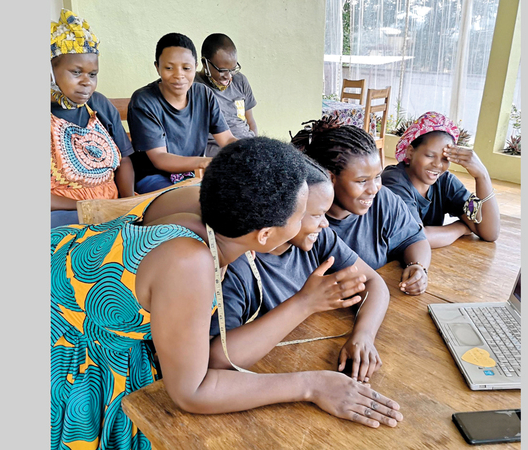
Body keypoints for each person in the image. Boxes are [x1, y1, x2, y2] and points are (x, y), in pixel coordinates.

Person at [51, 137, 403, 450]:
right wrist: (312, 385)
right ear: (264, 236)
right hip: (69, 342)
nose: (320, 224)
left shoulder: (210, 202)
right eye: (302, 216)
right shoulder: (189, 263)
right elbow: (192, 391)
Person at [206, 158, 390, 383]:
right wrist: (305, 303)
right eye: (315, 215)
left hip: (308, 360)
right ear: (281, 214)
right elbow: (217, 359)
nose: (325, 224)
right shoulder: (237, 266)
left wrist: (363, 336)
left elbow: (372, 281)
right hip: (265, 379)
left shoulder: (317, 239)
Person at [292, 118, 432, 296]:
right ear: (330, 178)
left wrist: (418, 267)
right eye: (362, 181)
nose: (374, 188)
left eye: (377, 177)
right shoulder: (304, 223)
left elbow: (414, 238)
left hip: (374, 302)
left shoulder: (382, 200)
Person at [50, 9, 135, 228]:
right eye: (76, 72)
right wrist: (88, 207)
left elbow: (124, 161)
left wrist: (129, 205)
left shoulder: (99, 105)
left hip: (113, 209)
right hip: (64, 215)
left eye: (93, 74)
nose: (87, 82)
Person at [128, 33, 236, 194]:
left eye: (186, 68)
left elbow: (226, 138)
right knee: (202, 204)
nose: (179, 75)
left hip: (194, 176)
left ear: (195, 66)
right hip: (155, 178)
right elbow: (159, 158)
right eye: (169, 68)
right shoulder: (144, 101)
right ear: (157, 67)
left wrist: (246, 152)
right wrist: (205, 162)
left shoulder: (204, 95)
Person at [383, 111, 500, 248]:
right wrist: (460, 228)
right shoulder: (393, 181)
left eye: (445, 159)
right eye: (430, 155)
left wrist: (482, 176)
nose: (438, 165)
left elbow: (490, 233)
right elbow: (417, 238)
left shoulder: (444, 181)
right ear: (410, 152)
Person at [194, 33, 257, 157]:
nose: (228, 76)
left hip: (249, 149)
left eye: (233, 69)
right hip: (219, 154)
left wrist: (255, 143)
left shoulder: (240, 81)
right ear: (205, 62)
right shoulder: (194, 87)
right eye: (222, 70)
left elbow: (251, 121)